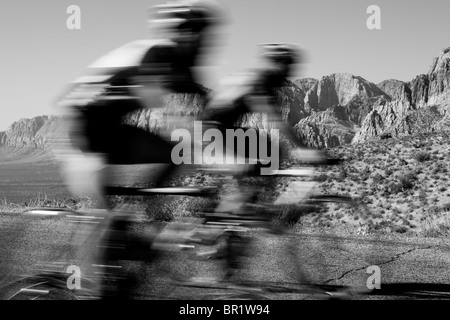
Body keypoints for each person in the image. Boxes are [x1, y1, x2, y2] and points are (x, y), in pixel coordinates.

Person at [54, 0, 225, 298]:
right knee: (108, 228)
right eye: (198, 35)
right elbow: (164, 106)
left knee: (178, 153)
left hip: (109, 128)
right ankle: (96, 282)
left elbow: (206, 115)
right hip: (84, 128)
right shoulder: (159, 53)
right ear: (184, 34)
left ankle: (129, 228)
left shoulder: (179, 65)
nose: (204, 44)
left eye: (206, 36)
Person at [198, 43, 326, 280]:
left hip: (224, 131)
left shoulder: (262, 81)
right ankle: (209, 233)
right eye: (286, 67)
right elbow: (278, 123)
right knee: (250, 167)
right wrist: (305, 150)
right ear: (278, 67)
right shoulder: (261, 82)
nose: (288, 73)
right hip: (213, 133)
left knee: (268, 154)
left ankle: (230, 233)